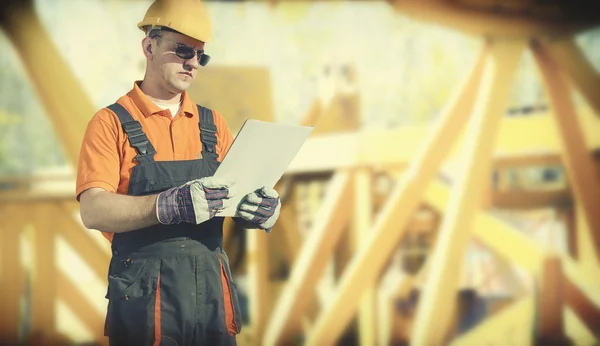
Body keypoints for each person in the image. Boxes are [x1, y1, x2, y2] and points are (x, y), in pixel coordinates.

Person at [75, 0, 281, 345]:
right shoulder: (110, 123)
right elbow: (93, 209)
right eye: (183, 50)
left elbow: (236, 196)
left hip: (212, 298)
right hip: (146, 303)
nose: (192, 62)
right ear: (149, 46)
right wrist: (165, 206)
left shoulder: (213, 124)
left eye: (201, 55)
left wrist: (261, 211)